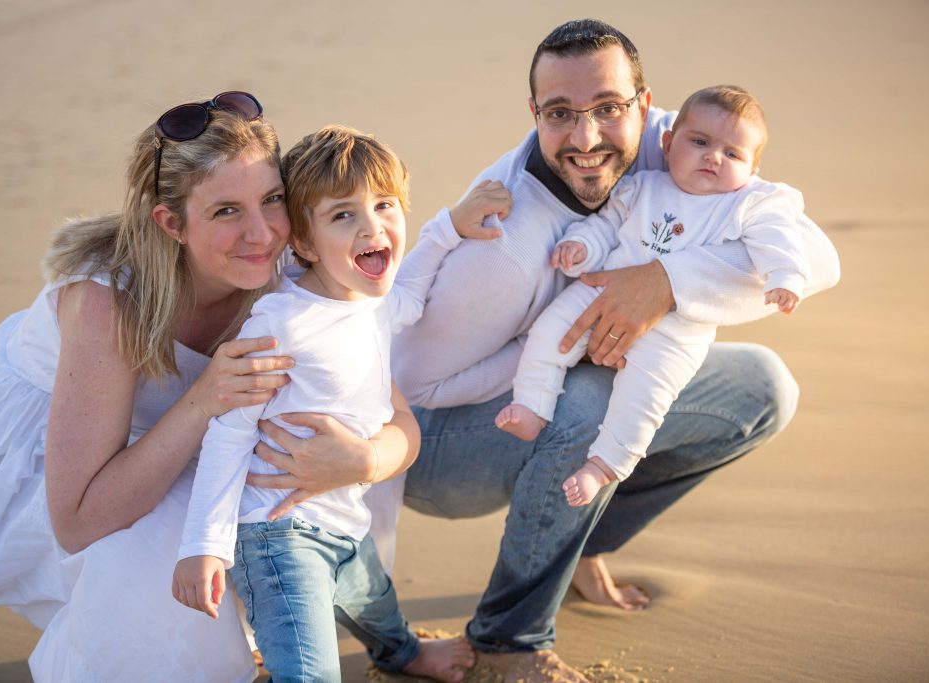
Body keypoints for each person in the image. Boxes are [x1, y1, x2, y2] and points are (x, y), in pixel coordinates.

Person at [390, 20, 841, 680]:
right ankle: (508, 642)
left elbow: (817, 258)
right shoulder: (505, 246)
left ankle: (575, 541)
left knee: (762, 388)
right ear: (535, 113)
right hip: (437, 449)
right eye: (561, 114)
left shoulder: (681, 145)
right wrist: (561, 348)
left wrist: (664, 282)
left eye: (608, 107)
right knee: (592, 398)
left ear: (645, 105)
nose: (587, 138)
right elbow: (413, 383)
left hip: (564, 381)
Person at [0, 94, 418, 682]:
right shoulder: (107, 304)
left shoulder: (291, 271)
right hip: (48, 464)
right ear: (172, 223)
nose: (261, 233)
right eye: (226, 211)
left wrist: (365, 459)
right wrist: (204, 400)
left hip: (184, 439)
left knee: (332, 439)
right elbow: (76, 520)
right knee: (170, 595)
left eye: (271, 200)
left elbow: (396, 419)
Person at [171, 125, 492, 682]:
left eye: (384, 205)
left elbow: (413, 289)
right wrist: (204, 545)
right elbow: (230, 431)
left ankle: (403, 654)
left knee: (375, 604)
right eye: (343, 214)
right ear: (305, 243)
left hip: (343, 517)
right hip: (278, 535)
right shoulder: (282, 323)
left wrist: (448, 227)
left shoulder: (372, 297)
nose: (371, 226)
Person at [495, 85, 808, 507]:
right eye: (700, 142)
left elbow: (778, 238)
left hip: (677, 333)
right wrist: (581, 246)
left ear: (753, 168)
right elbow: (605, 227)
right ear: (667, 143)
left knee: (643, 399)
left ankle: (604, 466)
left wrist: (785, 276)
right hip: (604, 289)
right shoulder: (643, 187)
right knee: (553, 329)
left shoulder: (747, 204)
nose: (714, 157)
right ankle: (532, 405)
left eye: (732, 153)